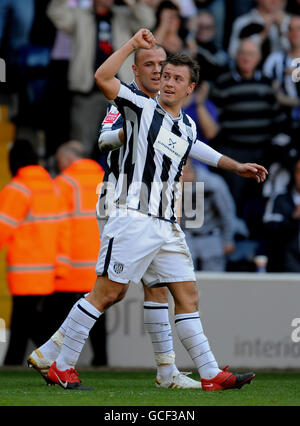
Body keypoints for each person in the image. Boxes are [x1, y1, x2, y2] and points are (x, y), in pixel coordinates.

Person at [45, 29, 267, 391]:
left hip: (166, 224)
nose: (168, 82)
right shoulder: (140, 107)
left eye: (177, 78)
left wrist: (237, 165)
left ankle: (209, 372)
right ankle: (62, 363)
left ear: (190, 89)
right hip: (133, 218)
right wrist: (132, 45)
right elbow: (102, 77)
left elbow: (200, 149)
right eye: (165, 76)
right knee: (105, 294)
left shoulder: (187, 124)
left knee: (187, 295)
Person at [30, 46, 202, 389]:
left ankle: (165, 371)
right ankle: (162, 372)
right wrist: (131, 132)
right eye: (149, 65)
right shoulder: (126, 102)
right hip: (121, 202)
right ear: (135, 71)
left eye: (161, 65)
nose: (157, 71)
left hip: (153, 210)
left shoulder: (171, 114)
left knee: (149, 290)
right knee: (115, 289)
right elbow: (104, 140)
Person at [27, 141, 108, 372]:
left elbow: (55, 223)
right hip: (100, 261)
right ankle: (102, 362)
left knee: (59, 315)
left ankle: (54, 361)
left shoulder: (62, 183)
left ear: (68, 158)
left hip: (69, 265)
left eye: (61, 159)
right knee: (97, 311)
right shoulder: (107, 179)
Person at [46, 0, 155, 155]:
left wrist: (134, 3)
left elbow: (148, 21)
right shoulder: (80, 15)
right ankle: (82, 178)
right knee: (81, 145)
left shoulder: (124, 15)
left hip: (119, 93)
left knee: (124, 147)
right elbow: (55, 13)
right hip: (87, 92)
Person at [0, 139, 70, 365]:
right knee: (25, 321)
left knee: (26, 321)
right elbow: (63, 229)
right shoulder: (51, 187)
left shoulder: (17, 189)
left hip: (24, 269)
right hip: (47, 269)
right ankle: (20, 362)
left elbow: (2, 229)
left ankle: (56, 359)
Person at [209, 38, 285, 237]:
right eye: (242, 53)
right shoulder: (223, 82)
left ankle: (257, 241)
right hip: (233, 151)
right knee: (232, 200)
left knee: (260, 199)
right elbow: (212, 115)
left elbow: (277, 117)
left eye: (251, 54)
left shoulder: (268, 83)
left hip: (263, 152)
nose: (246, 58)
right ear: (236, 56)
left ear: (259, 58)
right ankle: (230, 240)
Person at [181, 159, 236, 272]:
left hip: (210, 235)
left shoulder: (213, 183)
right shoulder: (169, 183)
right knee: (184, 281)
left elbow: (227, 213)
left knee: (214, 282)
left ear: (187, 171)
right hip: (185, 237)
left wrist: (228, 239)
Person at [263, 156, 300, 272]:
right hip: (286, 268)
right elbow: (269, 231)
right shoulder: (280, 199)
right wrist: (294, 218)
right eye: (299, 171)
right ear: (294, 174)